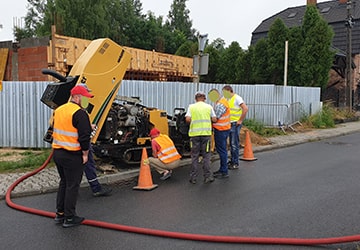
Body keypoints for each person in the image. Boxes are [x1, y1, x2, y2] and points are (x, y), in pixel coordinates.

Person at [52, 85, 93, 228]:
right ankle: (70, 217)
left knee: (64, 182)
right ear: (77, 97)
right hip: (72, 155)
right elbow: (84, 137)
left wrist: (87, 126)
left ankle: (60, 214)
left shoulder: (59, 110)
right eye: (86, 97)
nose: (87, 100)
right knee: (72, 185)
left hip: (58, 153)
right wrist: (85, 154)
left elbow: (60, 127)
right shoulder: (80, 113)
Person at [185, 91, 217, 184]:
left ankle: (193, 178)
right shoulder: (209, 107)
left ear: (195, 98)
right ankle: (207, 177)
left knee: (194, 156)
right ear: (204, 98)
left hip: (194, 135)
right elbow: (214, 119)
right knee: (206, 156)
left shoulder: (191, 107)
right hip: (206, 135)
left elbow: (187, 119)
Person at [222, 85, 249, 170]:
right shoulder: (227, 99)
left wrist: (240, 120)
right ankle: (232, 160)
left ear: (230, 91)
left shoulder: (237, 98)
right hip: (228, 123)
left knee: (234, 144)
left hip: (235, 124)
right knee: (230, 143)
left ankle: (235, 162)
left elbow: (245, 109)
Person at [208, 89, 231, 179]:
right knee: (222, 150)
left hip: (221, 130)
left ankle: (224, 171)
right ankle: (222, 169)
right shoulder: (221, 102)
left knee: (222, 151)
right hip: (223, 129)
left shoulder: (221, 104)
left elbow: (216, 118)